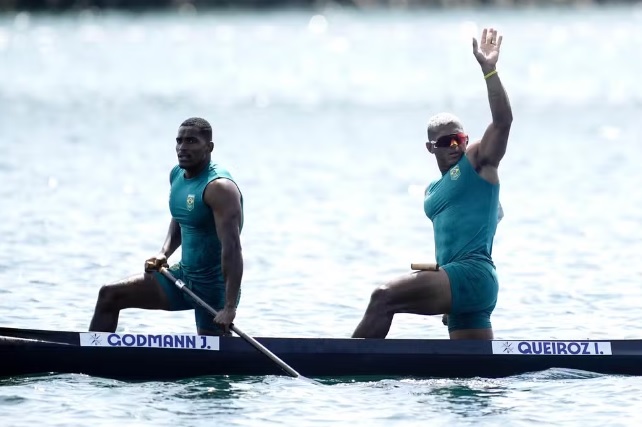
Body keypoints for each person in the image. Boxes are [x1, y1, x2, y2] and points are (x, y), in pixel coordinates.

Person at [352, 27, 512, 340]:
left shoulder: (478, 161)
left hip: (472, 275)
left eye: (460, 139)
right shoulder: (432, 190)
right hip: (457, 284)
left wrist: (489, 71)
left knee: (382, 298)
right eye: (446, 141)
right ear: (431, 148)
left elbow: (503, 123)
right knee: (473, 377)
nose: (455, 146)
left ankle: (338, 370)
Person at [89, 117, 244, 336]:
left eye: (191, 141)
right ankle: (93, 356)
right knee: (109, 295)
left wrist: (229, 308)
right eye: (179, 141)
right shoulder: (177, 175)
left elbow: (233, 249)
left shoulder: (220, 189)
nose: (182, 147)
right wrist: (164, 252)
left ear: (209, 147)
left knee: (216, 360)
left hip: (214, 290)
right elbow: (182, 217)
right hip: (183, 277)